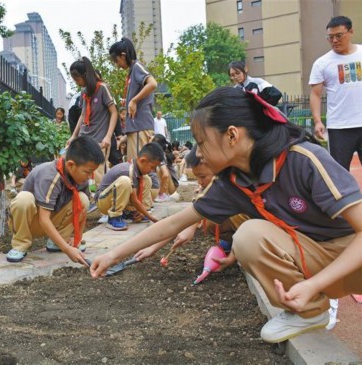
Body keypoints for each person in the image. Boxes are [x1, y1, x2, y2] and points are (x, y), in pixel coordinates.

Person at [91, 86, 362, 344]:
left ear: (232, 135)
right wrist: (113, 254)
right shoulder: (233, 183)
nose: (197, 152)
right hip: (316, 260)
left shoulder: (304, 159)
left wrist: (314, 284)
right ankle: (310, 313)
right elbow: (174, 223)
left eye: (201, 142)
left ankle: (311, 298)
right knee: (249, 237)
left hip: (352, 261)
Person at [134, 145, 247, 262]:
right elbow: (179, 222)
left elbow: (248, 225)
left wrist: (232, 258)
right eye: (197, 177)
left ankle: (238, 248)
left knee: (221, 221)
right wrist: (153, 247)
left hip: (253, 233)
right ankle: (232, 243)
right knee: (209, 223)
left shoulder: (234, 187)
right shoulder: (209, 190)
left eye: (203, 176)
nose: (199, 182)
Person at [5, 136, 104, 264]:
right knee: (24, 198)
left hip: (50, 219)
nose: (90, 177)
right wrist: (67, 249)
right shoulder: (50, 176)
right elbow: (43, 218)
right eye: (88, 171)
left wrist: (74, 239)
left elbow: (81, 210)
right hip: (31, 221)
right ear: (70, 165)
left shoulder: (80, 178)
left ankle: (57, 242)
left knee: (82, 199)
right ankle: (20, 245)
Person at [309, 15, 362, 171]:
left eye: (339, 36)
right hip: (339, 127)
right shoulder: (322, 63)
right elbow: (315, 94)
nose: (334, 41)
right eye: (330, 37)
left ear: (350, 31)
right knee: (339, 172)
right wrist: (318, 121)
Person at [68, 57, 118, 187]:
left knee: (99, 174)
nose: (77, 83)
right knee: (82, 172)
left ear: (85, 75)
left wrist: (108, 136)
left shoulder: (102, 88)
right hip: (84, 138)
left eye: (77, 79)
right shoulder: (84, 92)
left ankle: (100, 202)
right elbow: (83, 114)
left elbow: (114, 112)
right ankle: (87, 199)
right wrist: (74, 136)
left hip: (100, 140)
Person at [94, 143, 164, 231]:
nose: (152, 170)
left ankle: (132, 213)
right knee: (125, 181)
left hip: (113, 199)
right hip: (103, 201)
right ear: (142, 160)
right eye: (152, 167)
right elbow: (134, 200)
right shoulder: (127, 171)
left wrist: (142, 211)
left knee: (147, 179)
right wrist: (151, 217)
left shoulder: (136, 170)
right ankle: (114, 217)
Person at [109, 37, 157, 160]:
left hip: (140, 128)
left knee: (138, 170)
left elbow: (152, 84)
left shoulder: (137, 67)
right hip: (135, 129)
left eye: (116, 60)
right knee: (139, 169)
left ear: (123, 55)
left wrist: (134, 100)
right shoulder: (132, 71)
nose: (117, 65)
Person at [151, 134, 179, 202]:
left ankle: (163, 194)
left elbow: (165, 174)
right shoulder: (160, 152)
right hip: (172, 183)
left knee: (158, 168)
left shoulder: (160, 154)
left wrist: (161, 192)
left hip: (172, 185)